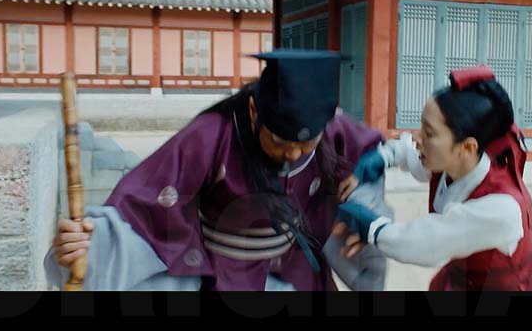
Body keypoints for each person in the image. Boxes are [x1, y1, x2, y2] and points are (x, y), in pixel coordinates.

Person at [46, 50, 393, 291]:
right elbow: (144, 204)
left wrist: (362, 206)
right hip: (222, 274)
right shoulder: (212, 134)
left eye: (305, 144)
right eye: (278, 141)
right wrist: (90, 243)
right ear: (254, 111)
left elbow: (371, 157)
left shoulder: (333, 129)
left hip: (295, 270)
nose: (292, 153)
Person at [335, 65, 532, 291]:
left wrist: (372, 228)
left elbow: (423, 242)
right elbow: (408, 153)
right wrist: (383, 156)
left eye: (429, 133)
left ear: (466, 147)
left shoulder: (500, 209)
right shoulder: (456, 163)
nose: (418, 138)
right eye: (421, 127)